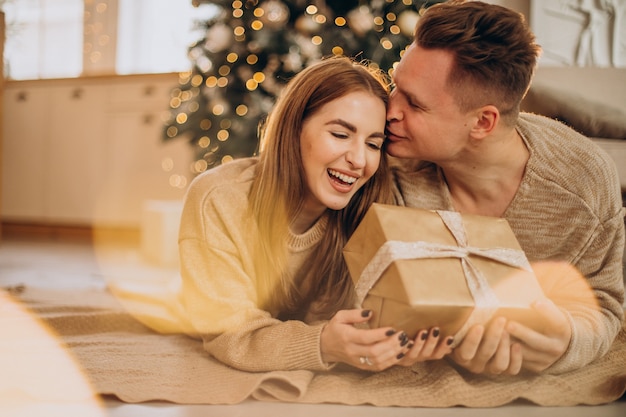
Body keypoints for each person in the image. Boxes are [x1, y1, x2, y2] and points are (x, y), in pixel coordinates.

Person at [160, 56, 452, 373]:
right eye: (340, 135)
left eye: (373, 143)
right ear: (294, 129)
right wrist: (323, 344)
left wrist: (395, 342)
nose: (359, 160)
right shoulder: (218, 198)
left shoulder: (375, 207)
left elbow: (367, 318)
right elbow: (229, 332)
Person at [385, 0, 625, 376]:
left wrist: (566, 341)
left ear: (483, 121)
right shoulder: (388, 159)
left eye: (413, 103)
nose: (389, 110)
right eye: (394, 85)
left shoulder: (585, 184)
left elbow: (604, 303)